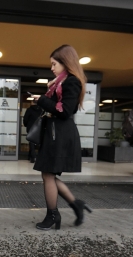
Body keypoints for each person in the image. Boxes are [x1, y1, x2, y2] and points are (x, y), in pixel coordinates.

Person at [31, 44, 92, 230]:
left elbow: (64, 111)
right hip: (55, 133)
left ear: (65, 63)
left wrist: (41, 99)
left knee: (48, 174)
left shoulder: (71, 81)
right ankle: (75, 205)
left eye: (54, 64)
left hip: (60, 134)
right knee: (48, 174)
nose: (51, 68)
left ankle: (53, 215)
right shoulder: (60, 83)